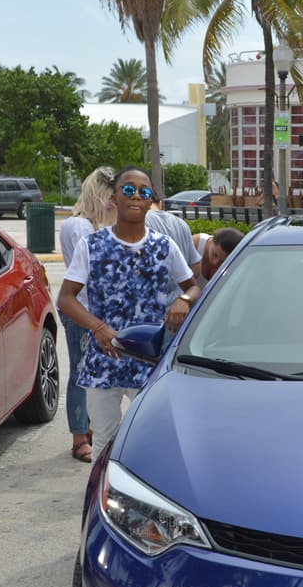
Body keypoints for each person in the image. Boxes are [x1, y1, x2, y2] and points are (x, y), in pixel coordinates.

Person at [56, 167, 200, 461]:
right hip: (103, 361)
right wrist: (97, 327)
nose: (136, 196)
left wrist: (184, 299)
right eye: (128, 190)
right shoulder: (92, 245)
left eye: (144, 192)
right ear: (114, 198)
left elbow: (194, 286)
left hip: (148, 363)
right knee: (104, 445)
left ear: (151, 202)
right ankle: (101, 500)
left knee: (150, 446)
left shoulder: (163, 246)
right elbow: (66, 298)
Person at [57, 166, 116, 462]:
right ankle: (80, 436)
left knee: (90, 372)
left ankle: (87, 428)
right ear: (99, 195)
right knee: (81, 373)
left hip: (88, 309)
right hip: (80, 308)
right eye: (110, 198)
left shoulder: (88, 225)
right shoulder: (80, 227)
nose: (112, 205)